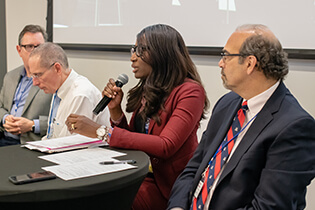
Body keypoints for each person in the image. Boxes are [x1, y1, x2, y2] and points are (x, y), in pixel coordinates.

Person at [167, 24, 315, 210]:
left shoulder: (294, 126)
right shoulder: (227, 103)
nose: (221, 63)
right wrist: (177, 207)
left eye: (226, 56)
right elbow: (193, 168)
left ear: (250, 63)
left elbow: (270, 207)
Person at [65, 24, 209, 209]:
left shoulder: (190, 92)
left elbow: (166, 145)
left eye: (140, 50)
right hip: (140, 173)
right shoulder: (150, 88)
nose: (133, 58)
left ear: (162, 53)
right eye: (133, 50)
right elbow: (135, 139)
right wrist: (115, 111)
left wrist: (101, 132)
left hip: (168, 186)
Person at [28, 42, 110, 139]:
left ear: (57, 68)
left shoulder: (80, 95)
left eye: (38, 75)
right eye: (33, 76)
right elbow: (54, 136)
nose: (34, 83)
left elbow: (71, 144)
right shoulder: (59, 90)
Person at [0, 24, 52, 146]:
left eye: (39, 47)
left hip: (31, 144)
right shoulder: (10, 76)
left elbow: (61, 122)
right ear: (19, 50)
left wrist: (32, 125)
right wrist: (5, 118)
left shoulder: (53, 81)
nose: (35, 52)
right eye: (29, 47)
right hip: (4, 138)